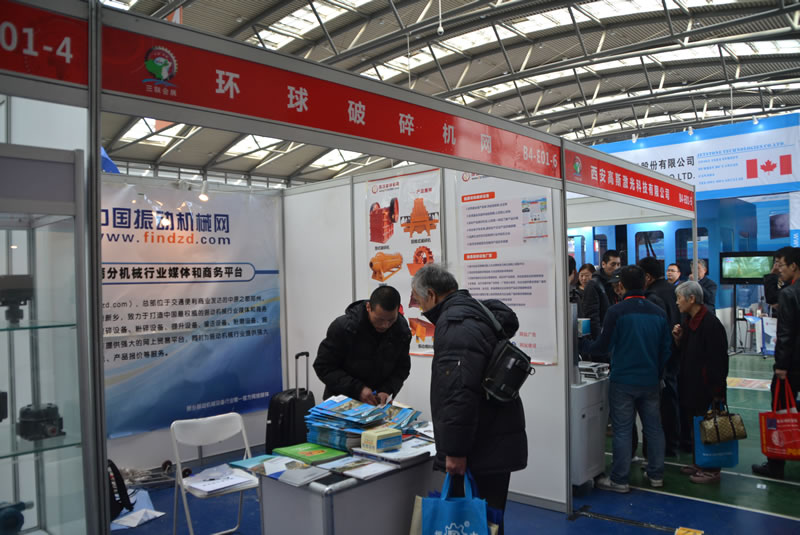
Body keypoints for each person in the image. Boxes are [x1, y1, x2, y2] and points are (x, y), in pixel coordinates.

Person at [411, 264, 526, 534]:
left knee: (473, 522)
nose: (420, 308)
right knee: (488, 521)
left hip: (480, 444)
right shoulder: (476, 312)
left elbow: (458, 393)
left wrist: (455, 451)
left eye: (419, 300)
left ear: (431, 294)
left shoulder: (455, 324)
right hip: (495, 435)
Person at [581, 265, 671, 493]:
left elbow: (603, 346)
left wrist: (583, 345)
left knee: (622, 430)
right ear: (644, 282)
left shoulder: (616, 311)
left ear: (621, 285)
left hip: (623, 380)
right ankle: (656, 475)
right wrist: (657, 373)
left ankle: (620, 480)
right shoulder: (658, 312)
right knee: (654, 428)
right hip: (650, 380)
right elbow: (666, 349)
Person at [314, 285, 411, 405]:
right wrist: (358, 389)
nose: (385, 325)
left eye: (391, 320)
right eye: (380, 319)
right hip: (341, 402)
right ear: (368, 307)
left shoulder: (401, 331)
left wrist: (387, 390)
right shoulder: (344, 328)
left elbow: (402, 368)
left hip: (376, 405)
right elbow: (323, 366)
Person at [672, 281, 729, 484]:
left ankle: (712, 469)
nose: (677, 302)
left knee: (709, 426)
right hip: (691, 384)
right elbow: (686, 352)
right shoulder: (689, 322)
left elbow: (719, 360)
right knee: (695, 425)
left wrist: (717, 390)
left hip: (706, 388)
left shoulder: (711, 324)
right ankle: (700, 462)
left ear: (692, 299)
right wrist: (679, 339)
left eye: (679, 298)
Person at [752, 247, 800, 480]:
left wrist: (781, 365)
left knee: (779, 408)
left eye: (782, 265)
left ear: (794, 266)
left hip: (791, 364)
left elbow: (786, 333)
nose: (779, 269)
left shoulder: (790, 293)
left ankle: (776, 463)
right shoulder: (789, 291)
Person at [638, 257, 681, 457]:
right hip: (675, 351)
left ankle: (664, 447)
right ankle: (675, 442)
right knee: (672, 398)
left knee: (660, 406)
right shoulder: (673, 290)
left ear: (647, 277)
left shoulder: (653, 296)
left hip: (661, 356)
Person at [583, 250, 622, 362]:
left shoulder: (615, 283)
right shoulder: (594, 285)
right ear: (603, 264)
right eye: (613, 264)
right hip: (602, 341)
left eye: (618, 264)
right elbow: (592, 317)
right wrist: (600, 342)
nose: (616, 268)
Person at [764, 247, 794, 314]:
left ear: (793, 266)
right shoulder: (790, 284)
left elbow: (772, 298)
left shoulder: (793, 288)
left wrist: (772, 275)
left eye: (781, 264)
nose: (778, 268)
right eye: (776, 263)